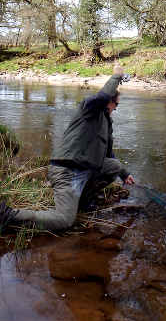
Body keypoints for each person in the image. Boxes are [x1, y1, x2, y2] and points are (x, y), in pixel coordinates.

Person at [0, 63, 134, 231]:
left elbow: (109, 154)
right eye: (117, 105)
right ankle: (8, 215)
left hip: (85, 169)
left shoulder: (107, 122)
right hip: (66, 172)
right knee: (64, 220)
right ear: (109, 102)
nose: (116, 109)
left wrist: (125, 174)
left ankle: (83, 202)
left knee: (114, 166)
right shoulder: (89, 107)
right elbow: (101, 96)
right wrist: (117, 76)